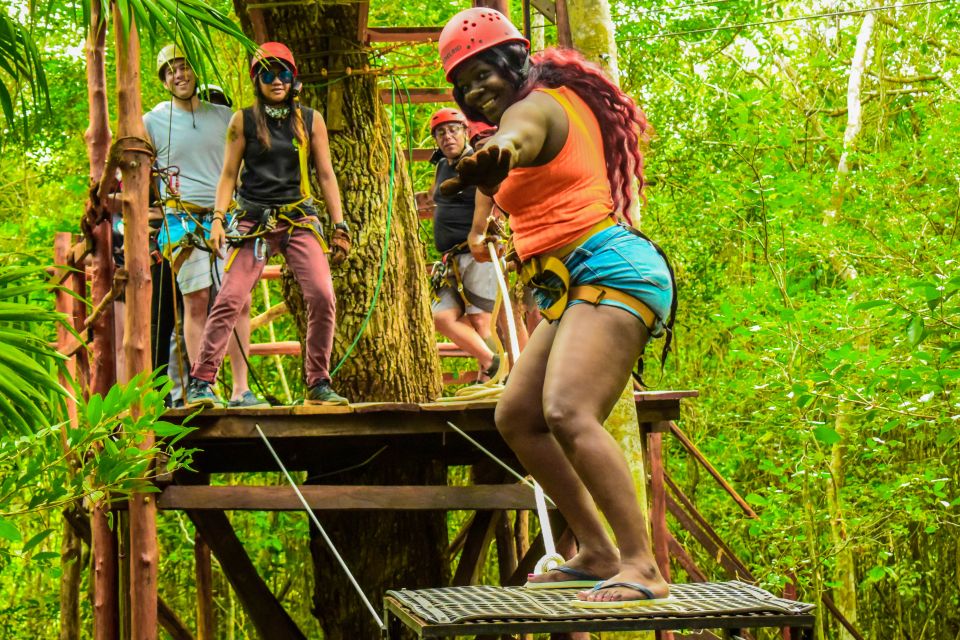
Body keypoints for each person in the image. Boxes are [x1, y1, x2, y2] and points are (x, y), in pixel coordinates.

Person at [437, 8, 677, 605]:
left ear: (513, 61)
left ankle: (641, 565)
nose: (475, 91)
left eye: (483, 73)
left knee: (567, 410)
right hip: (569, 286)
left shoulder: (533, 108)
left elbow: (519, 138)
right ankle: (595, 551)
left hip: (610, 271)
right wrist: (483, 168)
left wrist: (499, 154)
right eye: (463, 84)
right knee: (517, 416)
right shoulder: (545, 102)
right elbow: (508, 155)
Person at [185, 42, 351, 407]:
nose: (276, 80)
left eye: (284, 73)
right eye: (268, 73)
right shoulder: (241, 120)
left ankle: (318, 382)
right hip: (254, 220)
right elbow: (229, 174)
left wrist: (339, 225)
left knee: (323, 295)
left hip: (299, 218)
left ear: (294, 79)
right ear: (257, 79)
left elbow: (325, 174)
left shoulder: (310, 120)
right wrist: (217, 219)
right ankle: (201, 381)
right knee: (229, 297)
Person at [144, 44, 263, 408]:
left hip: (227, 216)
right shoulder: (152, 121)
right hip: (183, 219)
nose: (178, 75)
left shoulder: (225, 116)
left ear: (195, 72)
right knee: (195, 300)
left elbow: (243, 166)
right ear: (164, 80)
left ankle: (241, 389)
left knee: (238, 301)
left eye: (183, 68)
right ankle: (201, 388)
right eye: (170, 71)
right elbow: (138, 168)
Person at [426, 108, 500, 381]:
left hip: (476, 254)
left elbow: (493, 198)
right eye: (441, 133)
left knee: (481, 320)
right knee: (441, 317)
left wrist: (482, 233)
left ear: (466, 132)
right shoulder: (442, 165)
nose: (447, 137)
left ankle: (490, 377)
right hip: (451, 259)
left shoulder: (477, 162)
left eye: (453, 130)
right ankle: (492, 364)